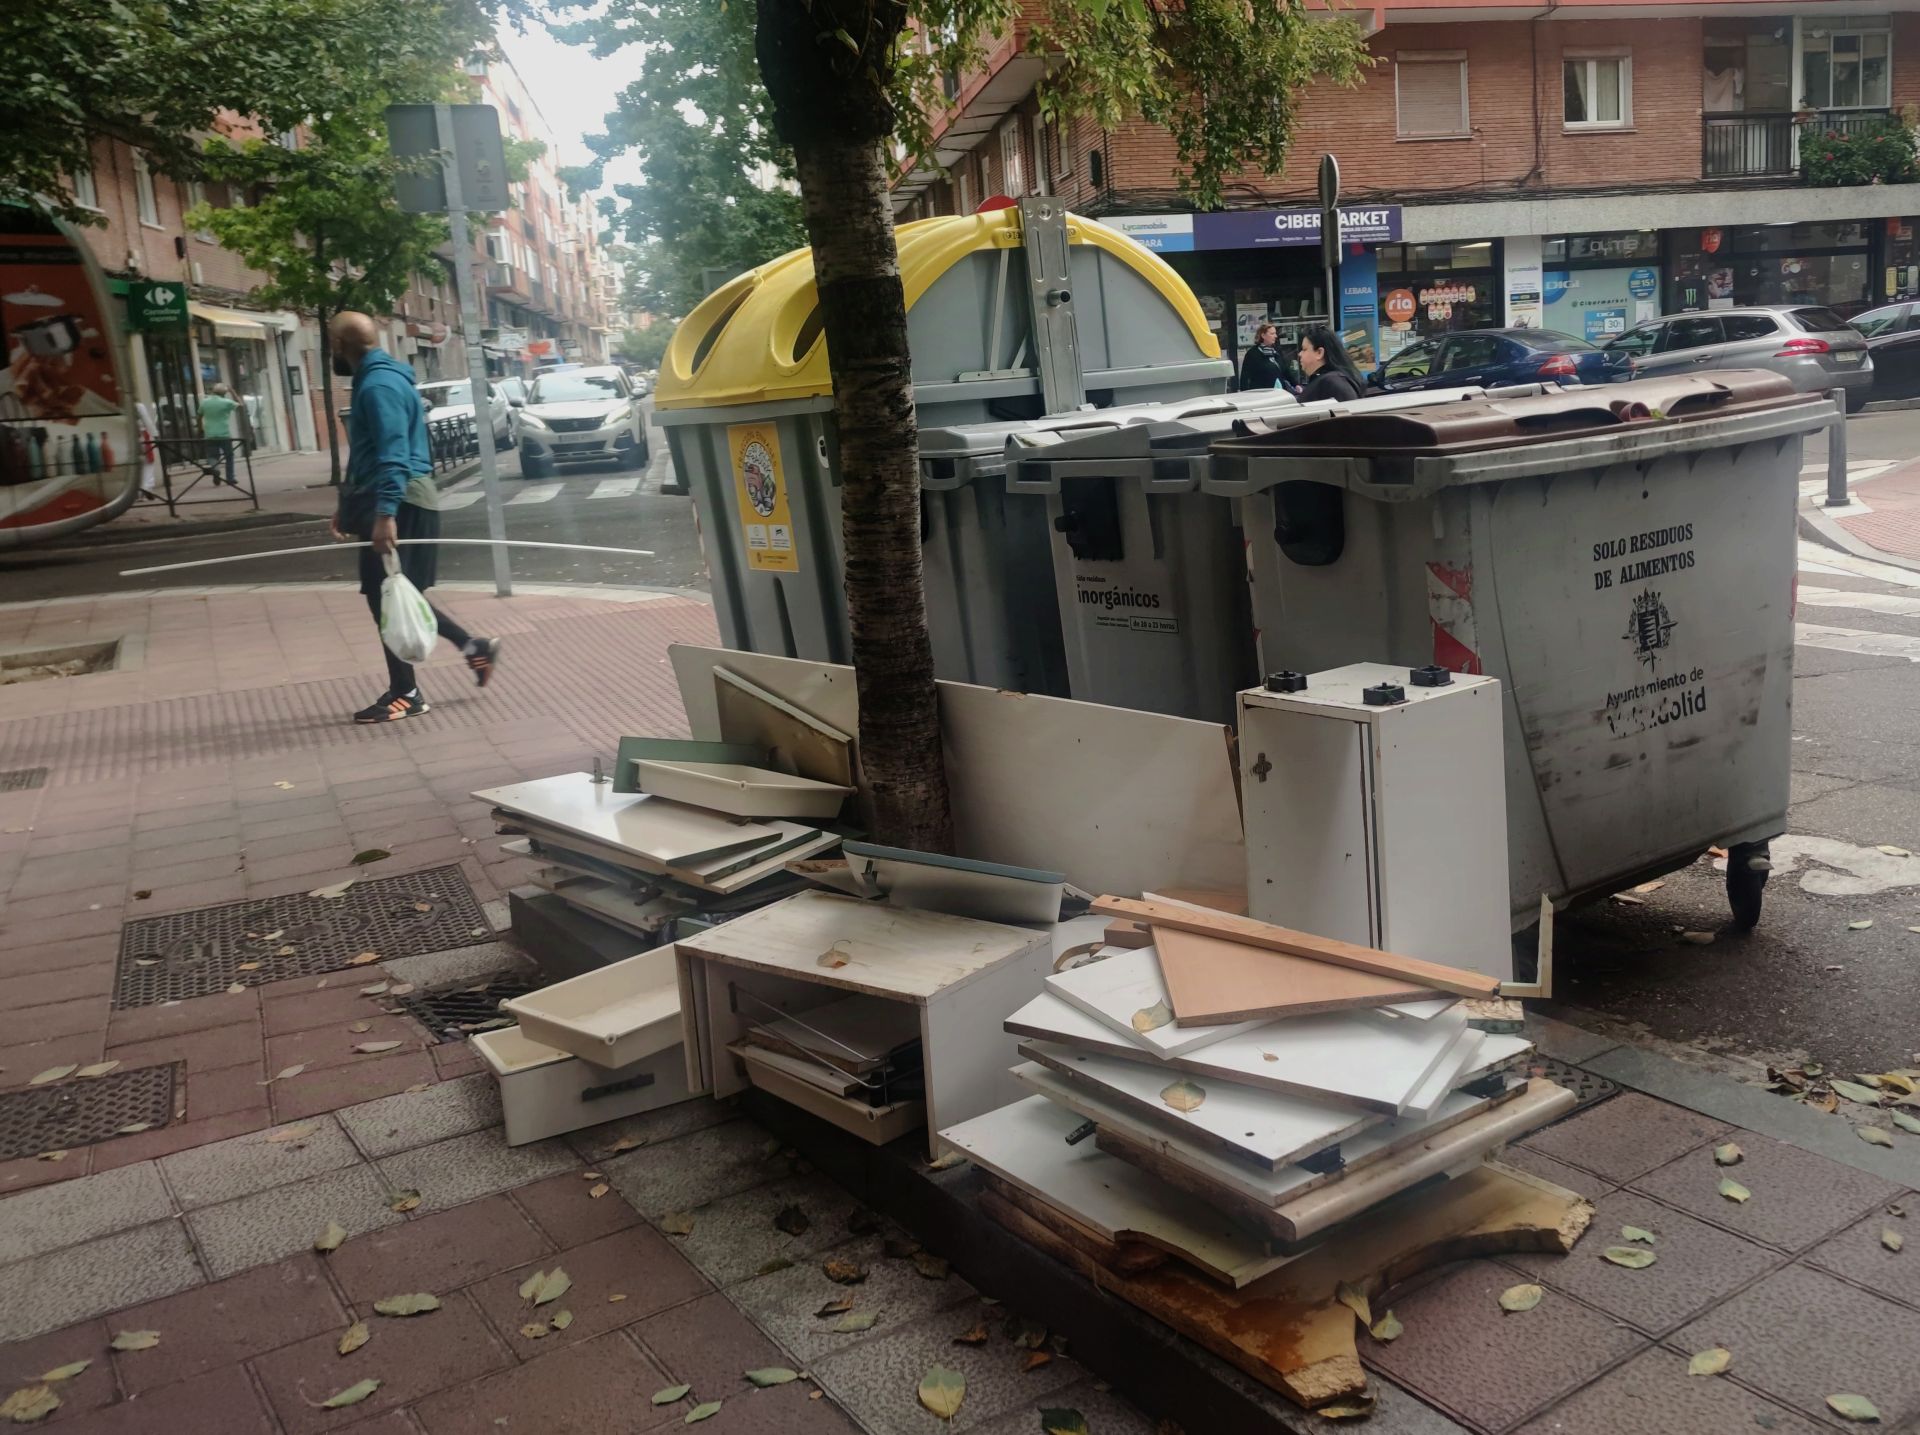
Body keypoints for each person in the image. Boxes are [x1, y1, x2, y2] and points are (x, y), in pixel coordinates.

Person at [329, 311, 501, 723]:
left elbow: (393, 453)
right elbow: (372, 453)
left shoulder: (378, 385)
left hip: (402, 502)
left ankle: (407, 693)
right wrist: (350, 504)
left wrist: (385, 513)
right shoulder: (381, 379)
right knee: (397, 595)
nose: (330, 349)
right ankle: (472, 649)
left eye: (331, 342)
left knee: (388, 597)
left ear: (342, 346)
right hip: (399, 499)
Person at [1296, 325, 1367, 404]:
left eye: (1304, 349)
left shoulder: (1333, 383)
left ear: (1319, 353)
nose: (1300, 354)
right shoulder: (1330, 380)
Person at [198, 382, 240, 485]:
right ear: (224, 393)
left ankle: (215, 469)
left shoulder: (204, 402)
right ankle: (230, 478)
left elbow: (199, 416)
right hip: (224, 434)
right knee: (229, 456)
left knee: (212, 456)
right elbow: (241, 405)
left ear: (213, 391)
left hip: (209, 434)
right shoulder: (226, 402)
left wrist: (201, 428)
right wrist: (233, 392)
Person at [1238, 322, 1287, 391]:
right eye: (1272, 334)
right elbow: (1245, 377)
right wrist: (1245, 395)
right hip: (1261, 393)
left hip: (1280, 391)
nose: (1275, 336)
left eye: (1275, 333)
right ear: (1263, 335)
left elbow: (1285, 370)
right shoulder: (1253, 353)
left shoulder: (1276, 351)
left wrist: (1295, 384)